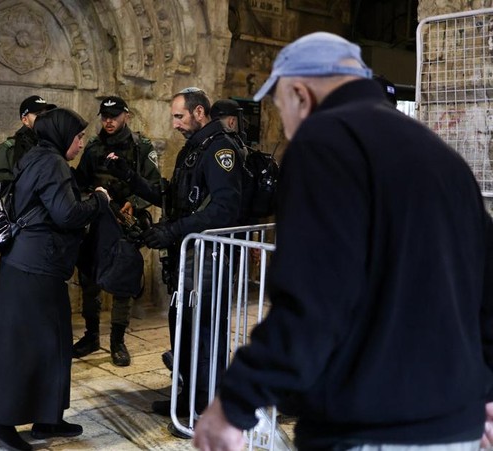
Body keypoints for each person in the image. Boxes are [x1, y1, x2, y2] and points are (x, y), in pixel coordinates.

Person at [193, 32, 493, 451]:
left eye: (282, 109)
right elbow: (486, 291)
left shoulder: (325, 143)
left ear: (300, 94)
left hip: (368, 428)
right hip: (455, 427)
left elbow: (313, 302)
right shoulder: (443, 156)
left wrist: (235, 403)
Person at [0, 108, 111, 451]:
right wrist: (99, 201)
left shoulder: (38, 157)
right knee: (23, 348)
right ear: (62, 136)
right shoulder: (51, 163)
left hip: (34, 265)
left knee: (54, 343)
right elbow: (67, 213)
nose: (81, 144)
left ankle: (48, 417)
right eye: (78, 137)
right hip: (34, 268)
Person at [107, 87, 245, 431]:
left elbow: (225, 208)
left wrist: (173, 231)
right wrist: (131, 178)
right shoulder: (194, 149)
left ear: (200, 113)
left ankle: (208, 410)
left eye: (179, 116)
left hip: (210, 257)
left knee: (205, 333)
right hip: (188, 255)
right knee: (181, 326)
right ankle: (187, 396)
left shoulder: (219, 150)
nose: (175, 124)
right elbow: (173, 197)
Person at [72, 96, 161, 367]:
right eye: (105, 116)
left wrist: (133, 204)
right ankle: (91, 335)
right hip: (98, 220)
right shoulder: (94, 146)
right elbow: (82, 181)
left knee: (122, 281)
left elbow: (154, 185)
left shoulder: (141, 146)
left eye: (114, 116)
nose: (109, 121)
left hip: (125, 222)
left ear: (126, 116)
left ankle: (118, 341)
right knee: (89, 279)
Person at [0, 95, 56, 183]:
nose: (44, 117)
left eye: (47, 114)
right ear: (25, 120)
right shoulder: (10, 149)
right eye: (38, 114)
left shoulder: (52, 145)